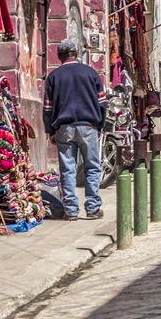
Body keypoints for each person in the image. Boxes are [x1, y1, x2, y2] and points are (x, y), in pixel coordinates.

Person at [44, 39, 107, 221]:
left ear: (59, 56)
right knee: (92, 167)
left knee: (67, 169)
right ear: (76, 53)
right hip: (88, 126)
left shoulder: (54, 76)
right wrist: (100, 125)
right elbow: (102, 102)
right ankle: (93, 208)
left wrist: (51, 131)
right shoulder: (90, 73)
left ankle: (71, 210)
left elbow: (48, 108)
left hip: (64, 128)